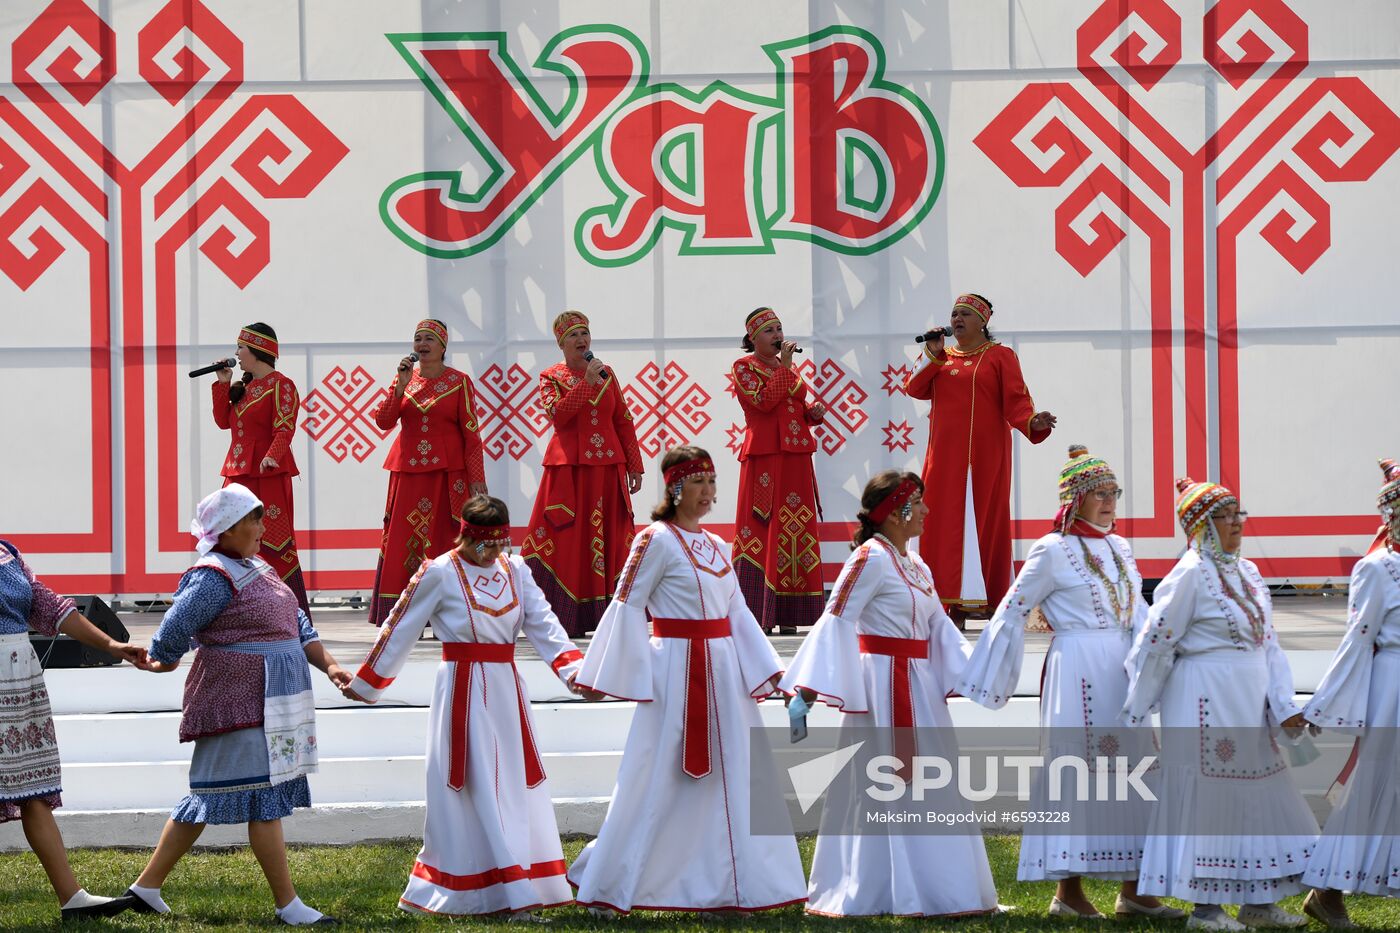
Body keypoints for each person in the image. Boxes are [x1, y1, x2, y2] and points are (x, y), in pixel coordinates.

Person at [568, 445, 807, 914]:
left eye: (712, 482)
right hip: (675, 672)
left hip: (726, 678)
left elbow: (737, 614)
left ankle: (737, 880)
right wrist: (602, 673)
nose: (708, 492)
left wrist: (777, 676)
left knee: (737, 774)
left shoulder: (719, 547)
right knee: (657, 773)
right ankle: (632, 876)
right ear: (675, 487)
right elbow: (627, 603)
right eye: (697, 482)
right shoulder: (654, 539)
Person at [957, 446, 1182, 920]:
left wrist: (1157, 656)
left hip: (1123, 668)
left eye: (1113, 492)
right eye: (1098, 493)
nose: (1108, 501)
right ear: (1074, 498)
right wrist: (987, 676)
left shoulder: (1120, 546)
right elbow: (1013, 610)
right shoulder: (1052, 550)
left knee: (1137, 772)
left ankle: (1135, 891)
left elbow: (1136, 611)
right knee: (1077, 775)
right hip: (1077, 668)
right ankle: (1068, 892)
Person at [343, 495, 591, 918]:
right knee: (469, 785)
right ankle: (480, 889)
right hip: (461, 691)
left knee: (512, 784)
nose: (494, 553)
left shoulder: (516, 571)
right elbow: (400, 625)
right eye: (486, 544)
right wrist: (367, 682)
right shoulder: (439, 572)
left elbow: (545, 624)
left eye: (500, 543)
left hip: (508, 692)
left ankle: (519, 883)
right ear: (467, 536)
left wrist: (576, 672)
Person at [125, 484, 350, 925]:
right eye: (254, 520)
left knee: (207, 796)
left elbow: (297, 623)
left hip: (272, 702)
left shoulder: (259, 568)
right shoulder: (213, 576)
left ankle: (146, 887)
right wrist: (163, 660)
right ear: (226, 530)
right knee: (257, 799)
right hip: (242, 701)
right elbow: (177, 624)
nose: (263, 529)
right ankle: (288, 905)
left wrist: (332, 666)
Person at [780, 470, 999, 917]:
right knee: (878, 783)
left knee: (931, 781)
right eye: (917, 503)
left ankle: (942, 890)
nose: (925, 510)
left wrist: (984, 668)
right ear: (896, 511)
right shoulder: (870, 558)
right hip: (881, 685)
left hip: (919, 687)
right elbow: (837, 618)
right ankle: (875, 888)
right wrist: (805, 687)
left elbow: (939, 627)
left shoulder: (918, 566)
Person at [1122, 477, 1315, 931]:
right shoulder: (1188, 574)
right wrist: (1139, 704)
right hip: (1203, 697)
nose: (1236, 525)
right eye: (1225, 517)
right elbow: (1156, 642)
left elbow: (1268, 641)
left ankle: (1258, 900)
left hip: (1248, 699)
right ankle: (1205, 909)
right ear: (1201, 526)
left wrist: (1283, 703)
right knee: (1212, 797)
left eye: (1238, 515)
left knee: (1255, 793)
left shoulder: (1245, 572)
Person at [0, 540, 144, 921]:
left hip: (18, 679)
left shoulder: (6, 552)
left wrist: (113, 645)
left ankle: (72, 899)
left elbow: (52, 608)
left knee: (33, 792)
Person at [904, 294, 1056, 624]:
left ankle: (980, 600)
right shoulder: (940, 358)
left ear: (982, 322)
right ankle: (944, 605)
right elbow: (913, 388)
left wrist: (1032, 422)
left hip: (984, 460)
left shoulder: (999, 356)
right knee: (940, 526)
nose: (956, 318)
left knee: (981, 522)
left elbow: (1016, 401)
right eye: (954, 314)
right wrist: (931, 352)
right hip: (943, 460)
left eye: (964, 314)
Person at [1300, 458, 1400, 928]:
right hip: (1392, 688)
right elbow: (1356, 639)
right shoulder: (1377, 569)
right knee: (1371, 787)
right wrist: (1324, 704)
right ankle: (1328, 890)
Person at [520, 311, 644, 636]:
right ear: (561, 343)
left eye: (585, 334)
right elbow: (558, 417)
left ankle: (609, 615)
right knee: (568, 537)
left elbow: (622, 420)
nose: (581, 340)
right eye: (574, 335)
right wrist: (586, 384)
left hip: (607, 467)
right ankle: (566, 615)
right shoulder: (550, 376)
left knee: (610, 536)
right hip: (570, 469)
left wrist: (635, 464)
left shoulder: (607, 373)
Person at [369, 319, 487, 626]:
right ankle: (403, 614)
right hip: (408, 472)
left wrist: (476, 479)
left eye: (429, 339)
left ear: (443, 346)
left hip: (448, 475)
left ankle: (449, 612)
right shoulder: (404, 380)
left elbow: (471, 434)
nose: (422, 344)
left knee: (444, 538)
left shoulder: (459, 381)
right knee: (403, 538)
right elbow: (383, 421)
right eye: (417, 338)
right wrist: (399, 389)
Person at [730, 307, 827, 634]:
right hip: (766, 457)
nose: (777, 335)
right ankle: (761, 612)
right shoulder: (744, 367)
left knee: (795, 529)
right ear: (753, 338)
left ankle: (791, 611)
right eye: (769, 331)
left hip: (797, 455)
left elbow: (793, 408)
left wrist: (812, 414)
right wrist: (786, 369)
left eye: (779, 329)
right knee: (765, 525)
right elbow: (763, 403)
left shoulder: (789, 370)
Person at [212, 322, 312, 617]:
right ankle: (234, 609)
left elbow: (285, 428)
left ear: (258, 350)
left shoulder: (282, 384)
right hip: (238, 471)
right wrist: (222, 383)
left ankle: (286, 611)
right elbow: (222, 421)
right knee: (229, 536)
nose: (237, 353)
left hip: (268, 472)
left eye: (240, 348)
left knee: (273, 539)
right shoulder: (243, 388)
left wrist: (272, 456)